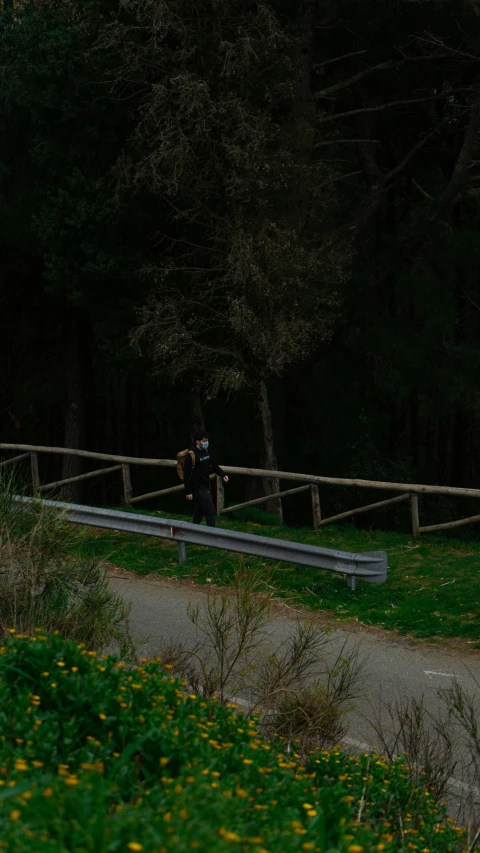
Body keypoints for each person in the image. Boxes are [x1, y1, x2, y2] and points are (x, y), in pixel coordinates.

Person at [184, 430, 229, 527]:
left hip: (206, 485)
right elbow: (186, 475)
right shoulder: (191, 455)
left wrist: (222, 474)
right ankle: (212, 535)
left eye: (207, 440)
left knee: (199, 510)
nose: (206, 442)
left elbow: (213, 465)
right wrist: (188, 492)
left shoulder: (206, 452)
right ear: (197, 441)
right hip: (198, 487)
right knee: (210, 511)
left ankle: (193, 529)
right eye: (204, 441)